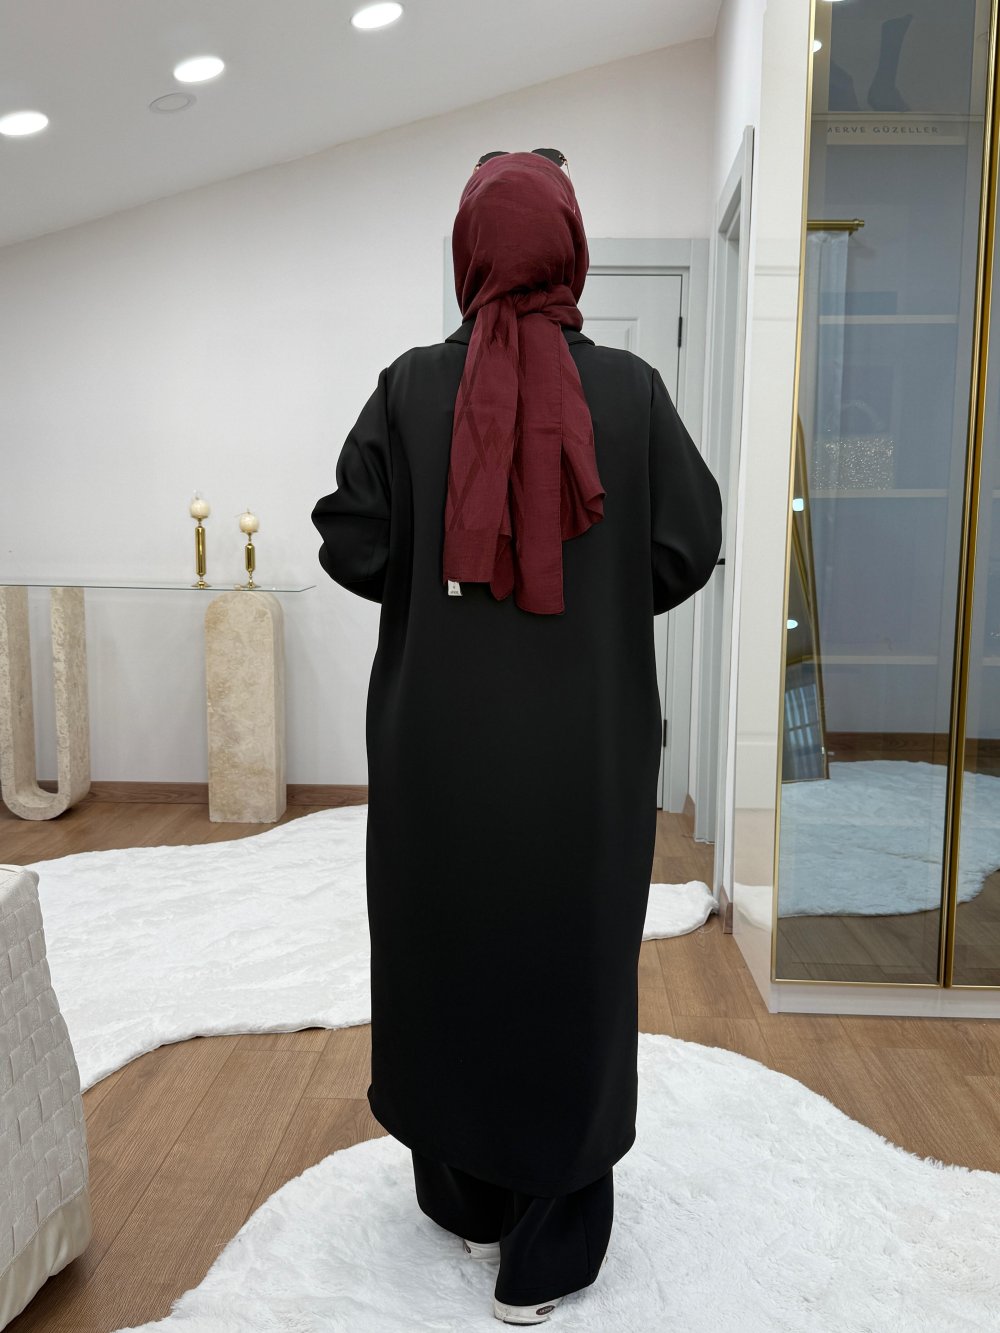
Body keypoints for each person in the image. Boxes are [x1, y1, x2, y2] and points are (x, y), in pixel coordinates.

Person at [311, 148, 723, 1325]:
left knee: (444, 946)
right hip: (583, 749)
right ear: (568, 245)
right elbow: (686, 543)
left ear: (470, 250)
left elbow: (351, 539)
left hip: (440, 745)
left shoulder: (408, 387)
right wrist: (594, 595)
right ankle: (547, 1245)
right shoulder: (633, 392)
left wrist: (446, 576)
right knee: (569, 962)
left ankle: (466, 1194)